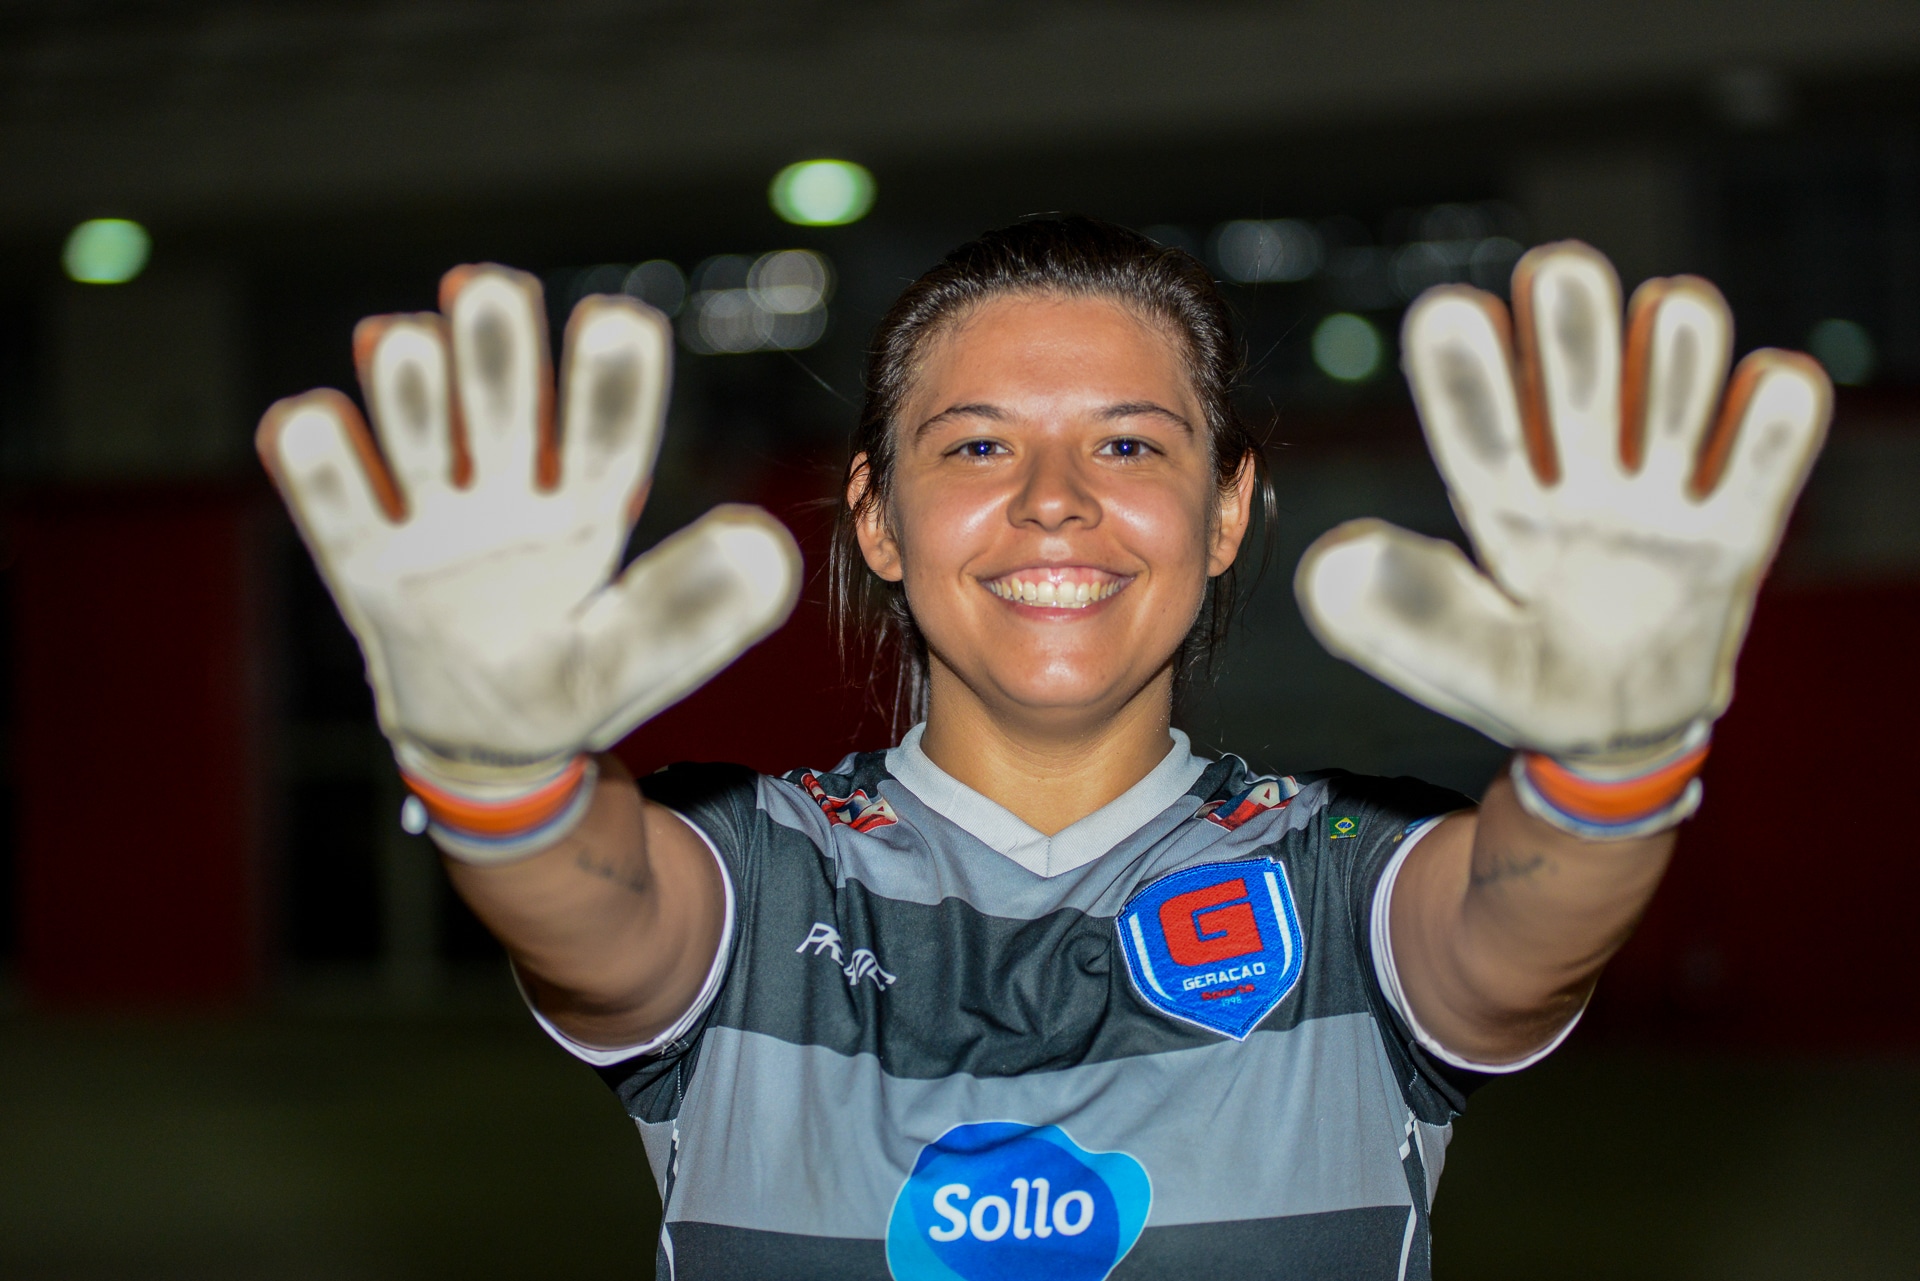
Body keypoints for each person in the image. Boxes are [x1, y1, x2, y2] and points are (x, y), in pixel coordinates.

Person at [258, 217, 1829, 1280]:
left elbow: (1521, 931)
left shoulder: (1344, 872)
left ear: (1228, 514)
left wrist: (1615, 760)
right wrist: (497, 773)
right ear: (875, 516)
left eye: (1132, 444)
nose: (1057, 500)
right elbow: (589, 907)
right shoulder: (746, 865)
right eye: (980, 445)